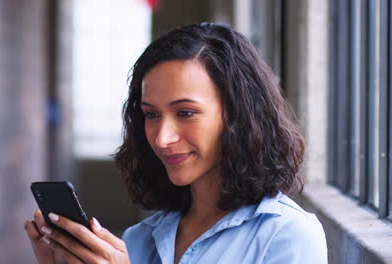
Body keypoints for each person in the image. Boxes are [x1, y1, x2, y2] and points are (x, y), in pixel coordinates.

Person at [24, 22, 327, 264]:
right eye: (151, 114)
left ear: (238, 115)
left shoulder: (288, 235)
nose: (162, 138)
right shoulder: (138, 239)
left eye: (186, 113)